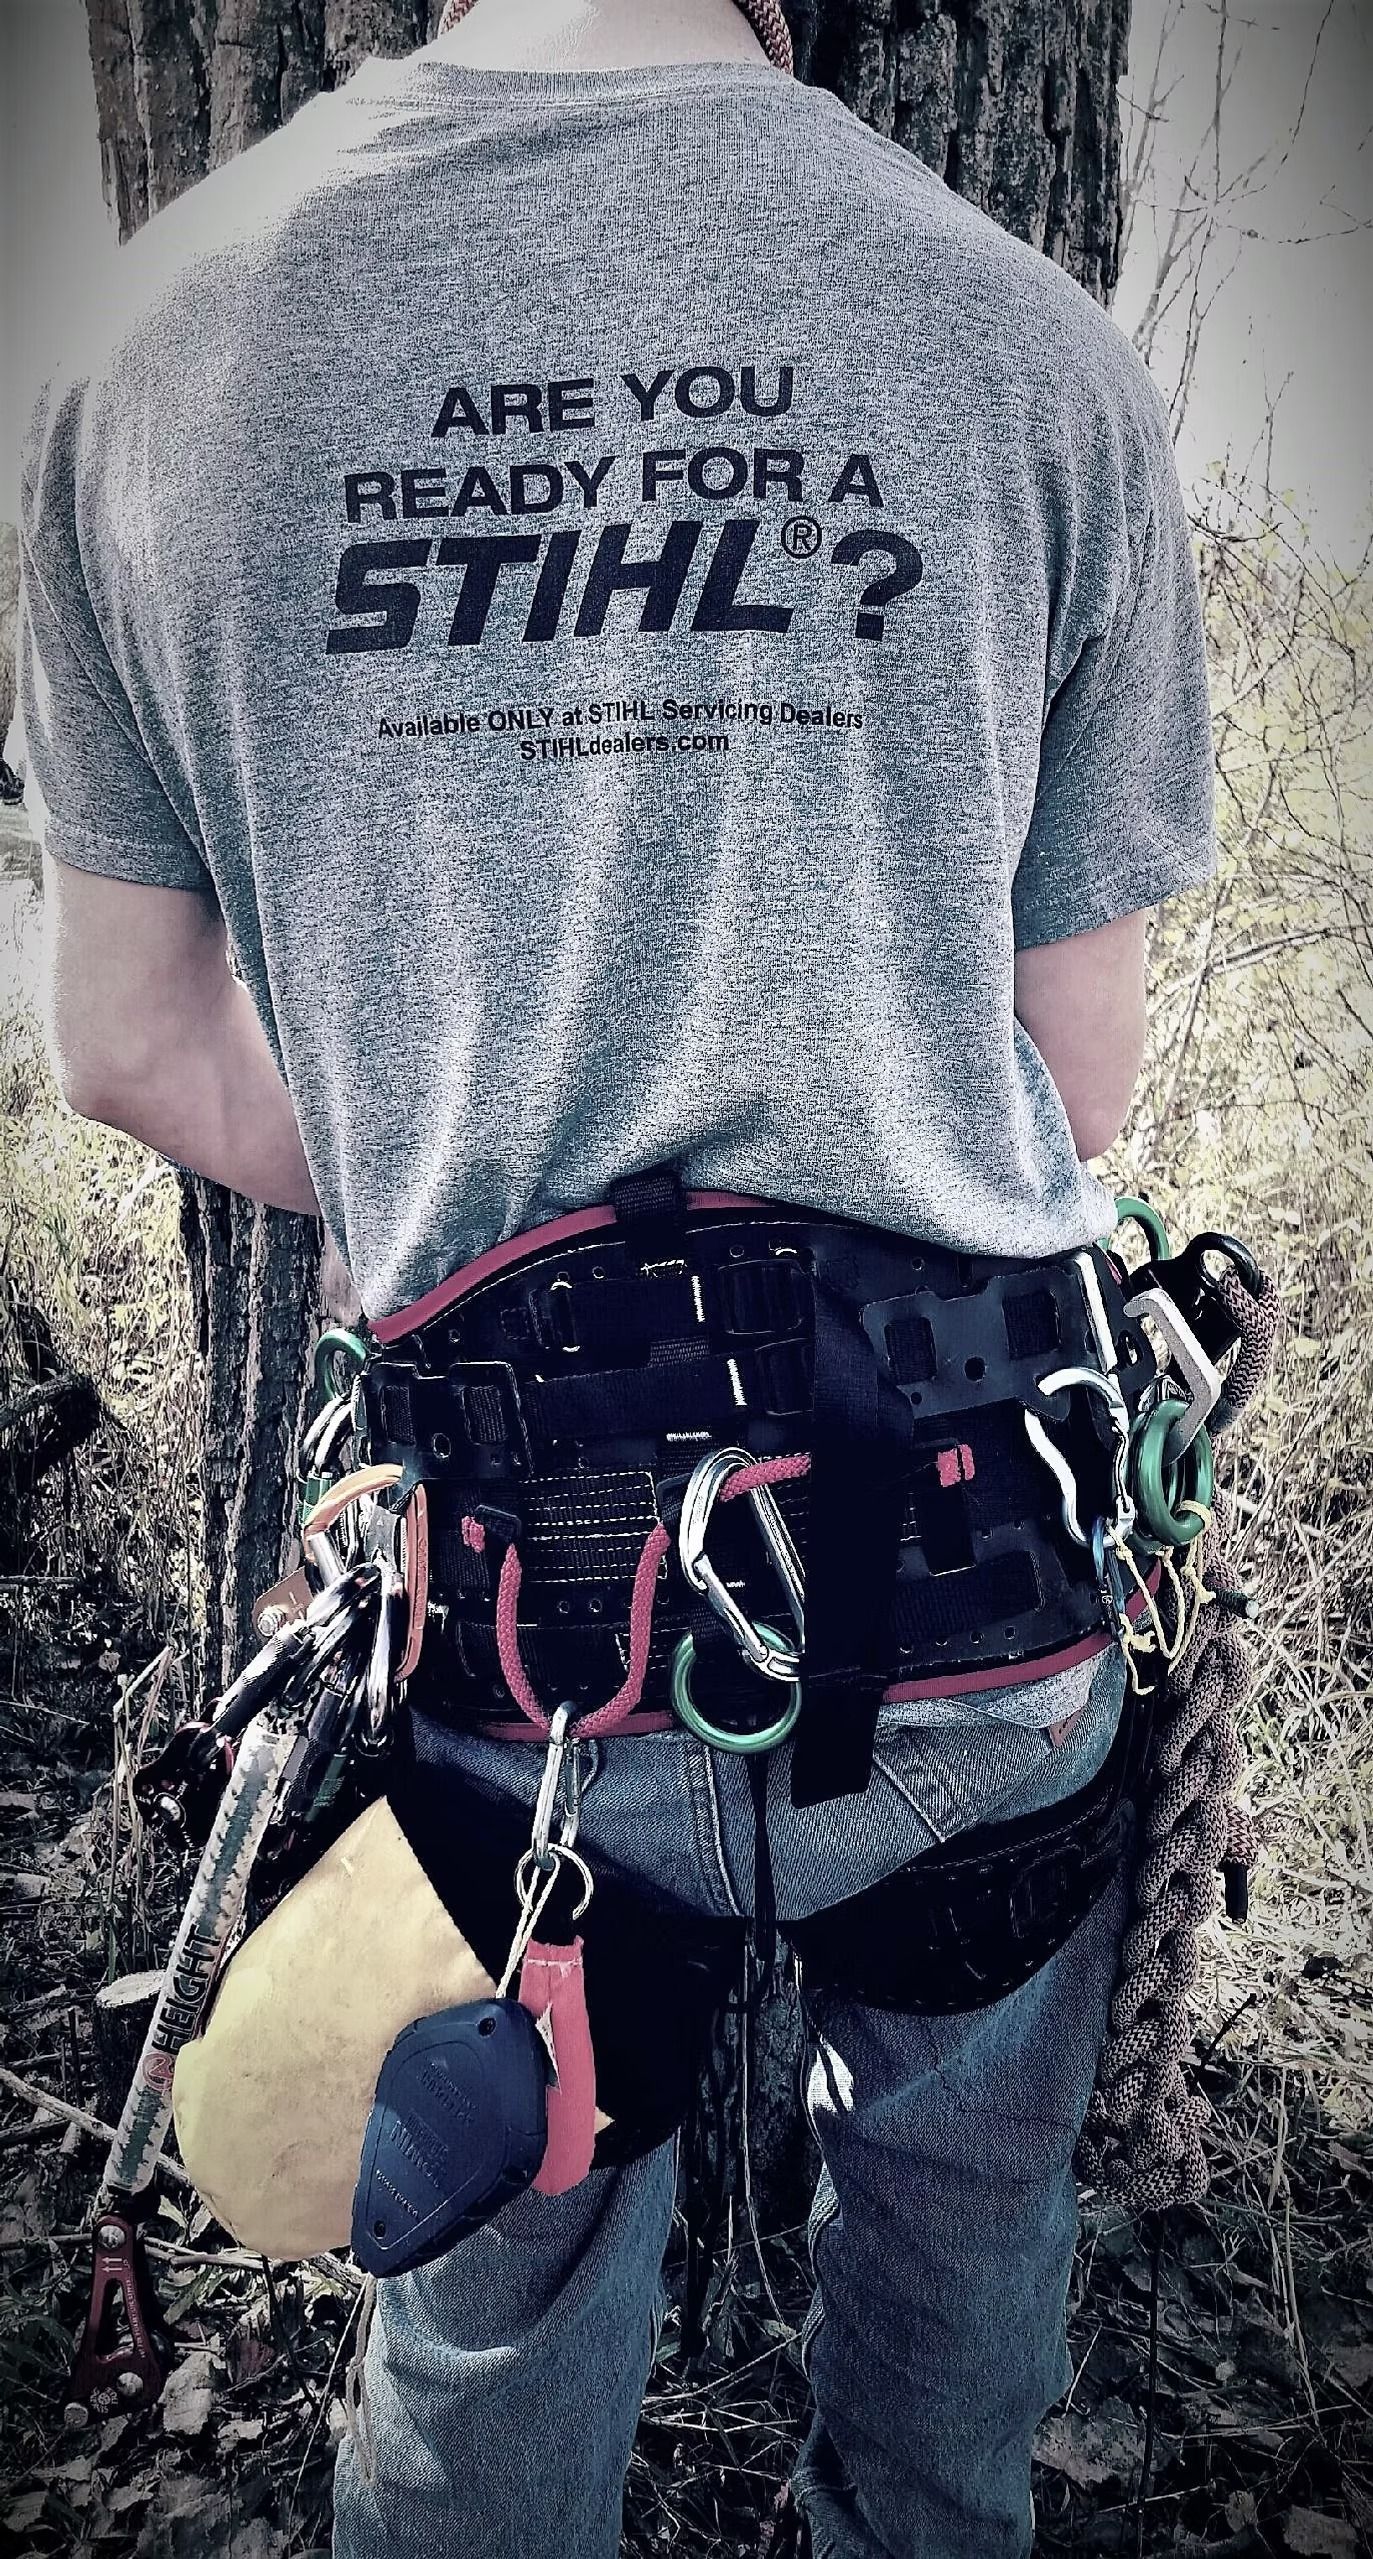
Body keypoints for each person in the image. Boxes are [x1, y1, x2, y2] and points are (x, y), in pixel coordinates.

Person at [18, 0, 1217, 2550]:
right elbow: (1072, 1088)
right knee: (967, 2274)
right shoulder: (1029, 343)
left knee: (491, 2326)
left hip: (517, 1650)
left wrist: (490, 1168)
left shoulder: (154, 357)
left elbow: (124, 1040)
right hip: (986, 1574)